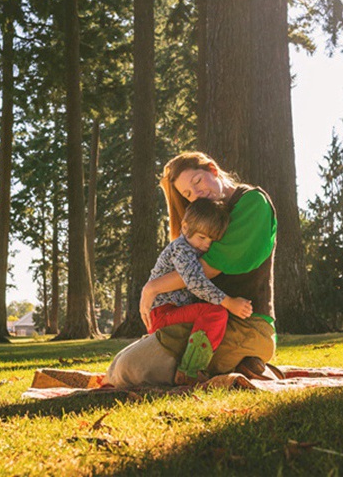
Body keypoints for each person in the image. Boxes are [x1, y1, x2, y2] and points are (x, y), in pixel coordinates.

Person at [105, 151, 277, 387]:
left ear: (213, 170)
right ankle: (234, 365)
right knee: (118, 365)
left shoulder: (252, 203)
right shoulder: (204, 219)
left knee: (127, 370)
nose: (197, 193)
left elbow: (206, 271)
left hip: (247, 325)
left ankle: (230, 363)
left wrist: (151, 288)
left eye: (197, 181)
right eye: (188, 193)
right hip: (207, 318)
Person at [146, 197, 253, 385]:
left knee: (210, 314)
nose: (206, 245)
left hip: (172, 310)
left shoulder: (195, 248)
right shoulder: (182, 249)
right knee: (216, 313)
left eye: (212, 240)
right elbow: (195, 282)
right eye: (202, 238)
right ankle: (189, 371)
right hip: (163, 313)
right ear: (185, 227)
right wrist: (229, 302)